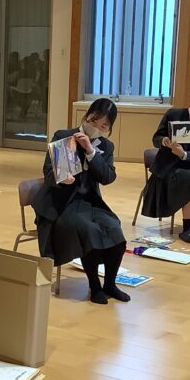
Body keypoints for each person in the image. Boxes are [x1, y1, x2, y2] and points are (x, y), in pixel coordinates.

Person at [32, 98, 129, 305]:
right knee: (89, 231)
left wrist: (90, 151)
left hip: (89, 201)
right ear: (86, 117)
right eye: (94, 121)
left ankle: (110, 284)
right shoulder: (63, 136)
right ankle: (95, 287)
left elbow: (107, 177)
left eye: (104, 126)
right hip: (61, 203)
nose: (97, 128)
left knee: (115, 229)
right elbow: (48, 173)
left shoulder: (106, 146)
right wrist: (61, 179)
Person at [142, 84, 190, 244]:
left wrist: (184, 154)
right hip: (167, 167)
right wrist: (165, 141)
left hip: (189, 164)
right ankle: (187, 227)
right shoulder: (174, 114)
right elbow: (156, 138)